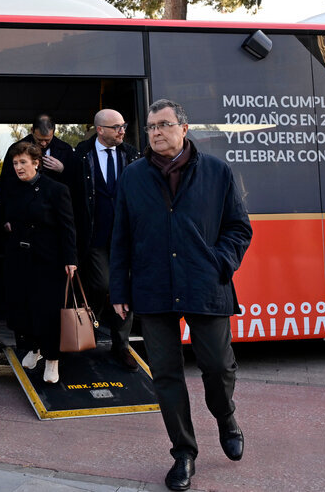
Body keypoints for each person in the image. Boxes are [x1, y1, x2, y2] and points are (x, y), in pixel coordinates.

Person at [110, 99, 252, 491]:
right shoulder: (134, 176)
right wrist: (119, 288)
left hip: (204, 284)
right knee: (166, 376)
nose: (156, 132)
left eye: (164, 125)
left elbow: (239, 229)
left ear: (184, 128)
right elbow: (120, 236)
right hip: (153, 287)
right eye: (151, 126)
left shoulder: (217, 172)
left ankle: (225, 416)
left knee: (219, 367)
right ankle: (184, 454)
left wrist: (219, 263)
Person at [69, 109, 141, 371]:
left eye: (124, 125)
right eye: (116, 127)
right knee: (100, 285)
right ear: (100, 130)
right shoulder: (81, 156)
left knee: (127, 290)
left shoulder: (132, 155)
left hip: (127, 237)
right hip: (95, 237)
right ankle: (92, 330)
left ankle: (121, 347)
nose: (122, 130)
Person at [0, 141, 78, 384]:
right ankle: (34, 348)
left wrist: (70, 259)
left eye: (23, 162)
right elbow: (8, 215)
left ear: (36, 163)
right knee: (22, 306)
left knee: (48, 311)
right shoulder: (13, 189)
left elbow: (68, 227)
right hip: (20, 257)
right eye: (15, 163)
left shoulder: (56, 189)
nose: (19, 167)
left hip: (49, 259)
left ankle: (53, 359)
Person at [0, 114, 73, 202]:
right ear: (32, 131)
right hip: (24, 203)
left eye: (47, 140)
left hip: (54, 205)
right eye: (39, 140)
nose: (43, 144)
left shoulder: (65, 149)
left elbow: (75, 182)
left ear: (53, 132)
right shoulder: (16, 149)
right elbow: (5, 182)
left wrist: (62, 170)